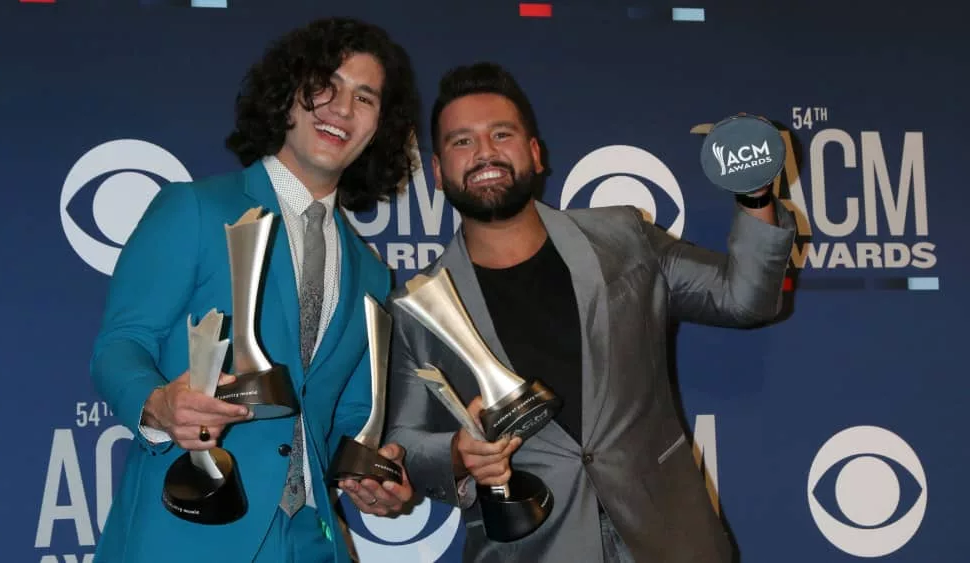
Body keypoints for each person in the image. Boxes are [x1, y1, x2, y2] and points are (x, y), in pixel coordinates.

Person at [383, 62, 797, 562]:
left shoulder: (624, 237)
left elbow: (744, 298)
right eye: (462, 141)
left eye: (501, 134)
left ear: (536, 153)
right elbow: (404, 442)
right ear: (437, 171)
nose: (485, 152)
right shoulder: (418, 306)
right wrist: (456, 453)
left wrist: (755, 192)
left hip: (671, 540)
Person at [90, 17, 421, 563]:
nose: (342, 108)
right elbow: (121, 344)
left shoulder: (371, 273)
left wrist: (376, 477)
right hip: (187, 531)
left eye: (365, 97)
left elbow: (345, 421)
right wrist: (159, 404)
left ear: (379, 126)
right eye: (327, 85)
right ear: (286, 93)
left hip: (313, 541)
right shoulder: (195, 209)